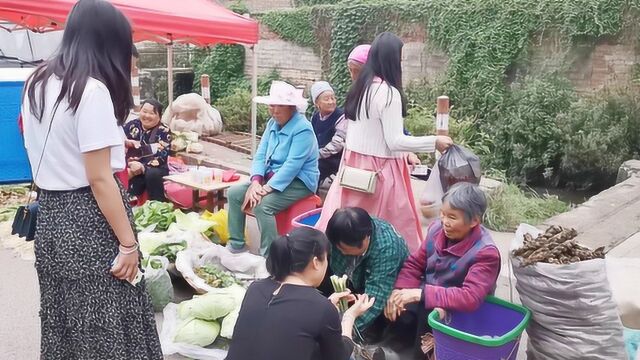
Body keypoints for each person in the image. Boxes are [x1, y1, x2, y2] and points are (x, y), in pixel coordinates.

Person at [20, 0, 162, 358]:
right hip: (88, 218)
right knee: (107, 318)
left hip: (52, 216)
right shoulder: (91, 90)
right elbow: (100, 179)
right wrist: (128, 244)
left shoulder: (37, 81)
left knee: (64, 316)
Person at [317, 32, 454, 252]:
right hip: (380, 174)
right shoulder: (389, 93)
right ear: (392, 60)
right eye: (399, 59)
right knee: (389, 235)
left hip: (353, 168)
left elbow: (369, 134)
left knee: (347, 228)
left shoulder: (360, 88)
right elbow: (394, 141)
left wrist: (405, 153)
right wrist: (434, 141)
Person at [384, 183, 501, 358]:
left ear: (475, 220)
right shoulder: (435, 229)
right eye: (443, 214)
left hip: (462, 310)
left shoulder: (486, 252)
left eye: (452, 217)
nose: (445, 222)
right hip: (431, 293)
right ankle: (392, 350)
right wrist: (399, 291)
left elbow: (470, 297)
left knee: (429, 313)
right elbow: (415, 264)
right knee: (399, 305)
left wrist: (420, 294)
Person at [226, 227, 375, 360]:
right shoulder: (321, 308)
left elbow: (288, 317)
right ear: (316, 262)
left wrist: (327, 305)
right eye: (326, 259)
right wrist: (350, 316)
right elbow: (339, 355)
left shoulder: (256, 288)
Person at [227, 81, 319, 256]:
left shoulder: (303, 129)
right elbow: (261, 154)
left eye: (281, 106)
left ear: (292, 107)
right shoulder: (272, 124)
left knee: (263, 206)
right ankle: (236, 244)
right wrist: (255, 182)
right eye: (272, 105)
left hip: (299, 182)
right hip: (271, 178)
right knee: (234, 193)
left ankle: (269, 256)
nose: (275, 110)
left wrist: (265, 189)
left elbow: (292, 166)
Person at [325, 207, 409, 340]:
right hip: (353, 283)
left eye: (345, 249)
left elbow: (374, 300)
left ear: (365, 239)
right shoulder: (339, 233)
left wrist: (344, 333)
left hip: (384, 288)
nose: (340, 252)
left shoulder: (387, 249)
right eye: (337, 248)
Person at [124, 98, 171, 201]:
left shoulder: (163, 131)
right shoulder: (132, 125)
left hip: (154, 167)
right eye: (144, 111)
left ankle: (157, 205)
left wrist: (141, 167)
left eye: (152, 113)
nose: (147, 116)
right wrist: (130, 165)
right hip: (130, 164)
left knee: (152, 174)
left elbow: (162, 156)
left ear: (159, 116)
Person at [310, 81, 346, 188]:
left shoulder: (342, 117)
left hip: (335, 158)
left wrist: (316, 155)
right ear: (316, 103)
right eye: (326, 99)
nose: (331, 102)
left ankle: (313, 199)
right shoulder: (315, 117)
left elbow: (337, 144)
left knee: (313, 169)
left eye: (333, 98)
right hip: (318, 155)